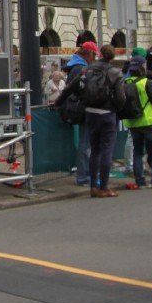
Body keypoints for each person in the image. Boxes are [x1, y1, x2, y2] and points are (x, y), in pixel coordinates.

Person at [83, 44, 126, 198]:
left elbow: (76, 86)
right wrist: (117, 109)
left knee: (95, 150)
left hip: (90, 112)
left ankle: (93, 186)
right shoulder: (115, 72)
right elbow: (120, 97)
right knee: (106, 150)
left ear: (100, 54)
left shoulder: (89, 69)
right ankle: (104, 187)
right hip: (107, 113)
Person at [123, 49, 152, 188]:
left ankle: (140, 181)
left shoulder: (126, 82)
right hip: (149, 121)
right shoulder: (146, 82)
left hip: (133, 122)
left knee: (138, 152)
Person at [54, 41, 97, 188]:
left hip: (77, 108)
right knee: (86, 144)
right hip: (83, 109)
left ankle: (85, 175)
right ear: (89, 54)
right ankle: (84, 176)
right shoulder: (81, 68)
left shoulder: (75, 66)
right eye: (94, 55)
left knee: (85, 143)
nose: (94, 58)